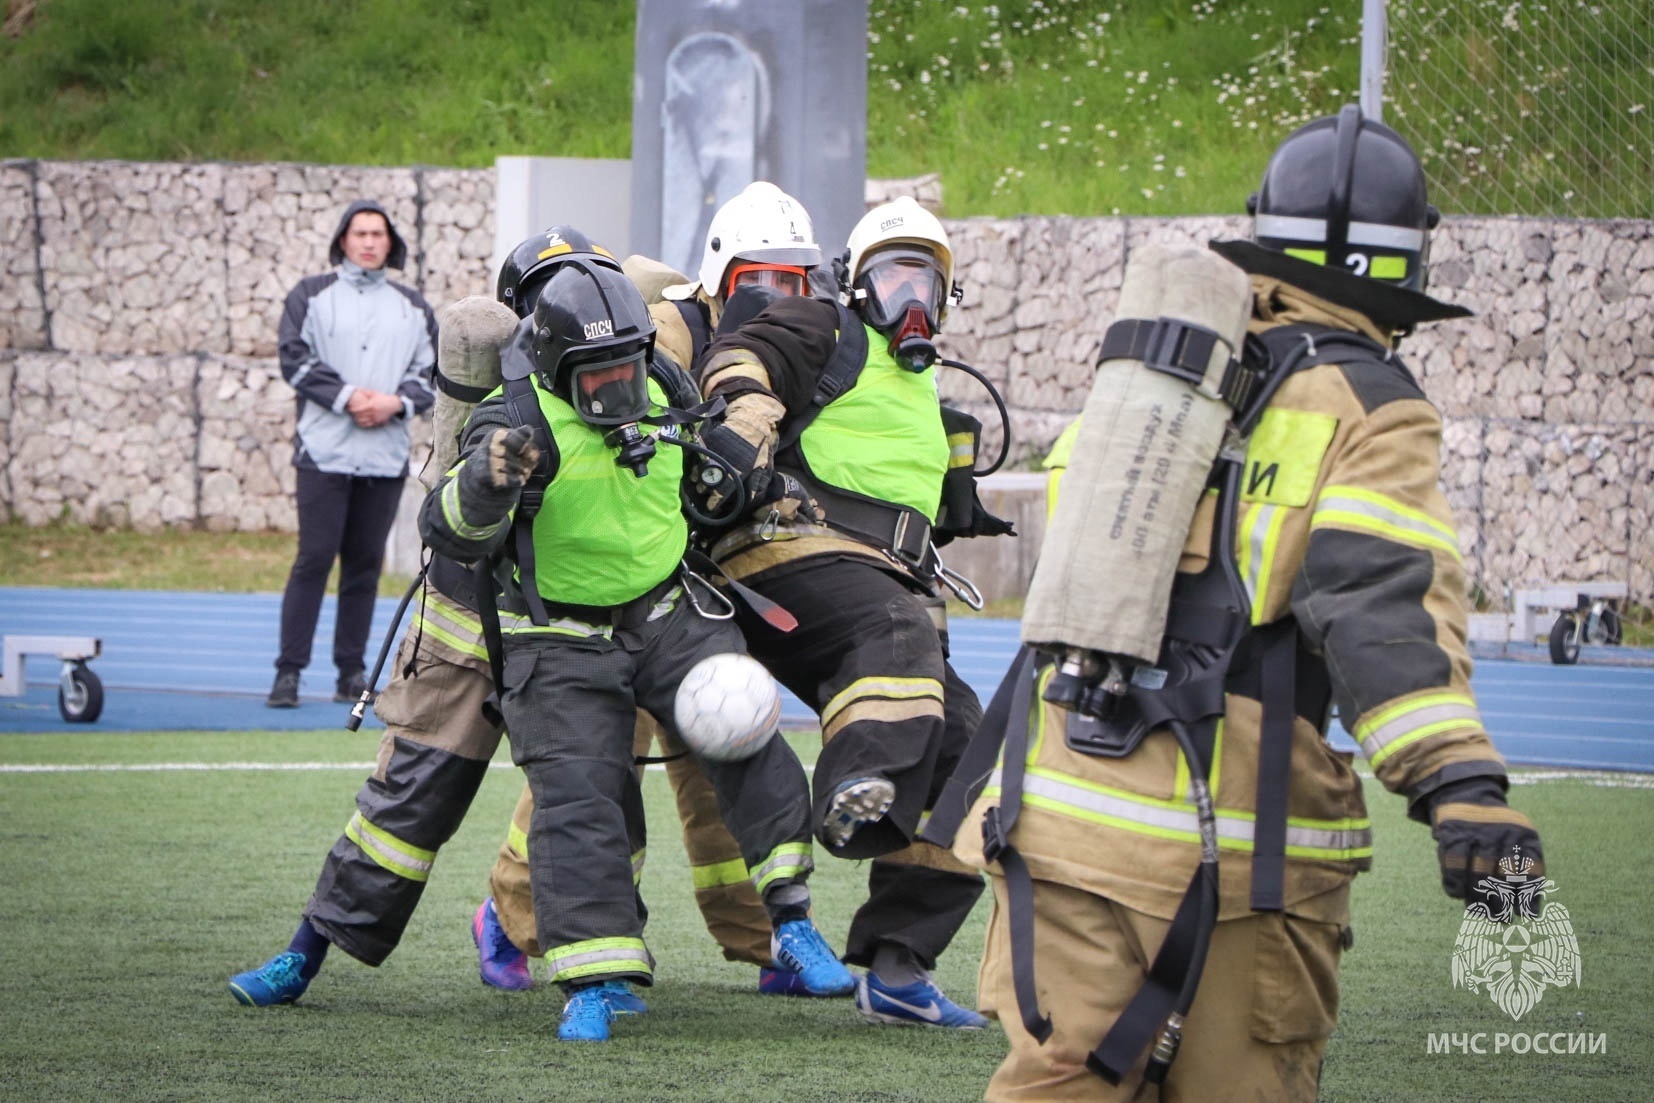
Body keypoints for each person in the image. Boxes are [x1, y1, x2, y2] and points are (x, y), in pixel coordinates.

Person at [943, 105, 1545, 1101]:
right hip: (1232, 840)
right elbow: (1377, 604)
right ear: (1404, 272)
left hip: (1056, 813)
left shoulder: (1149, 371)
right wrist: (1460, 786)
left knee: (1057, 1080)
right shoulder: (1371, 406)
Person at [226, 228, 799, 1008]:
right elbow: (453, 519)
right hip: (470, 621)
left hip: (590, 629)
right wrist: (492, 486)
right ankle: (307, 948)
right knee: (408, 801)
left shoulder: (647, 368)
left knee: (597, 799)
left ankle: (603, 966)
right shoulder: (494, 386)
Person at [419, 255, 851, 1042]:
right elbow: (448, 531)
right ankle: (594, 977)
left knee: (746, 724)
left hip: (666, 610)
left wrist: (753, 482)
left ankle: (791, 919)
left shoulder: (670, 388)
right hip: (557, 636)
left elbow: (695, 479)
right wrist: (485, 481)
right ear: (553, 367)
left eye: (630, 364)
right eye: (599, 374)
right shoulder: (510, 420)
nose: (620, 388)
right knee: (580, 798)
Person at [691, 196, 1015, 1029]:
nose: (909, 295)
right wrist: (748, 419)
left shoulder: (922, 386)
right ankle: (853, 788)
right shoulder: (823, 325)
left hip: (877, 576)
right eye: (890, 274)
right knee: (896, 632)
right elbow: (739, 353)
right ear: (856, 285)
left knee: (969, 746)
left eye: (925, 281)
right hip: (783, 550)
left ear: (945, 300)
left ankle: (899, 964)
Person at [266, 200, 437, 708]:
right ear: (343, 240)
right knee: (313, 560)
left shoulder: (412, 307)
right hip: (323, 454)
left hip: (383, 459)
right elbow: (292, 356)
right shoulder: (310, 296)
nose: (368, 242)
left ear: (390, 243)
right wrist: (349, 398)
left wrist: (394, 403)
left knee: (364, 566)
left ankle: (350, 672)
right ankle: (288, 672)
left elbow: (430, 372)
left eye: (377, 234)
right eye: (359, 233)